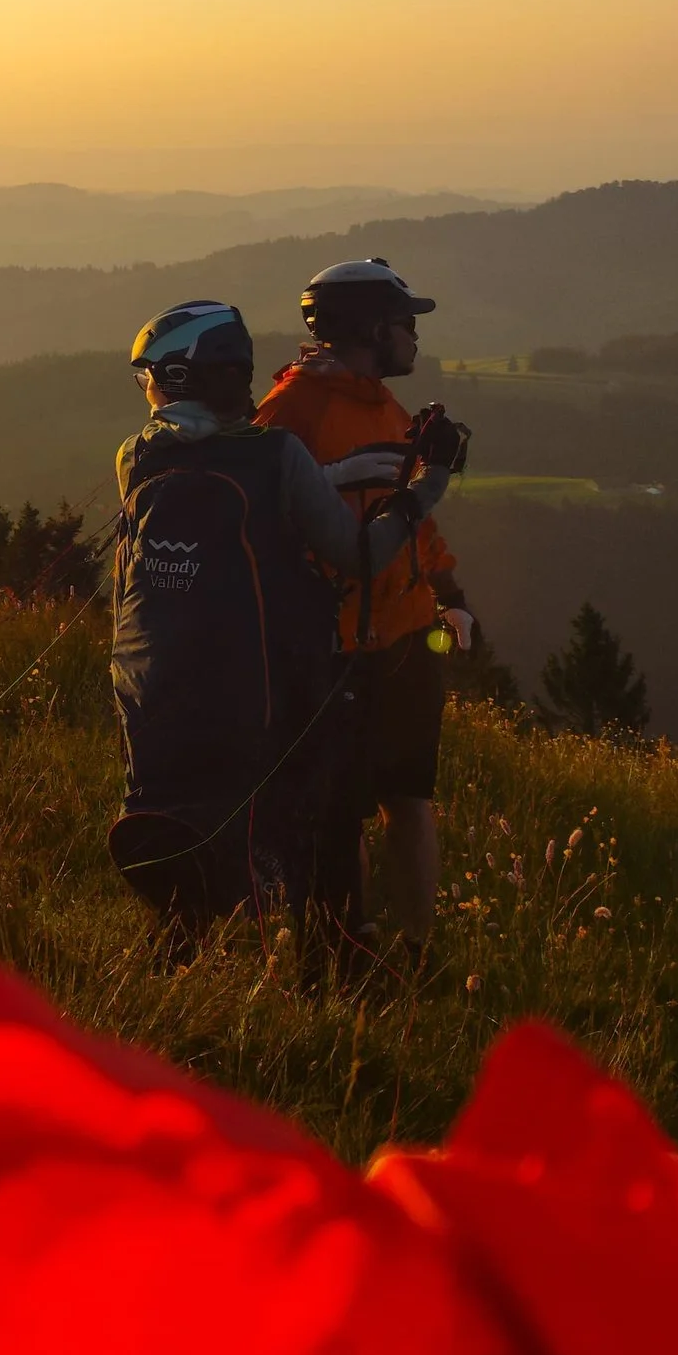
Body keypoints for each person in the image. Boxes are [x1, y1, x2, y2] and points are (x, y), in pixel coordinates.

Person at [108, 298, 454, 946]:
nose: (147, 388)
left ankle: (187, 928)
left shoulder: (135, 456)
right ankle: (333, 948)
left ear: (180, 378)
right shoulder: (279, 457)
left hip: (157, 689)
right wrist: (423, 491)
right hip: (267, 685)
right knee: (318, 815)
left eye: (148, 375)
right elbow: (356, 554)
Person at [257, 258, 477, 952]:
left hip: (407, 636)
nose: (414, 337)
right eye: (405, 322)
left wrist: (450, 595)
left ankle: (418, 948)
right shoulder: (294, 410)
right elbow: (264, 516)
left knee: (410, 800)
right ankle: (349, 944)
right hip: (337, 647)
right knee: (341, 811)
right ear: (370, 327)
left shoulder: (385, 405)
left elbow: (412, 515)